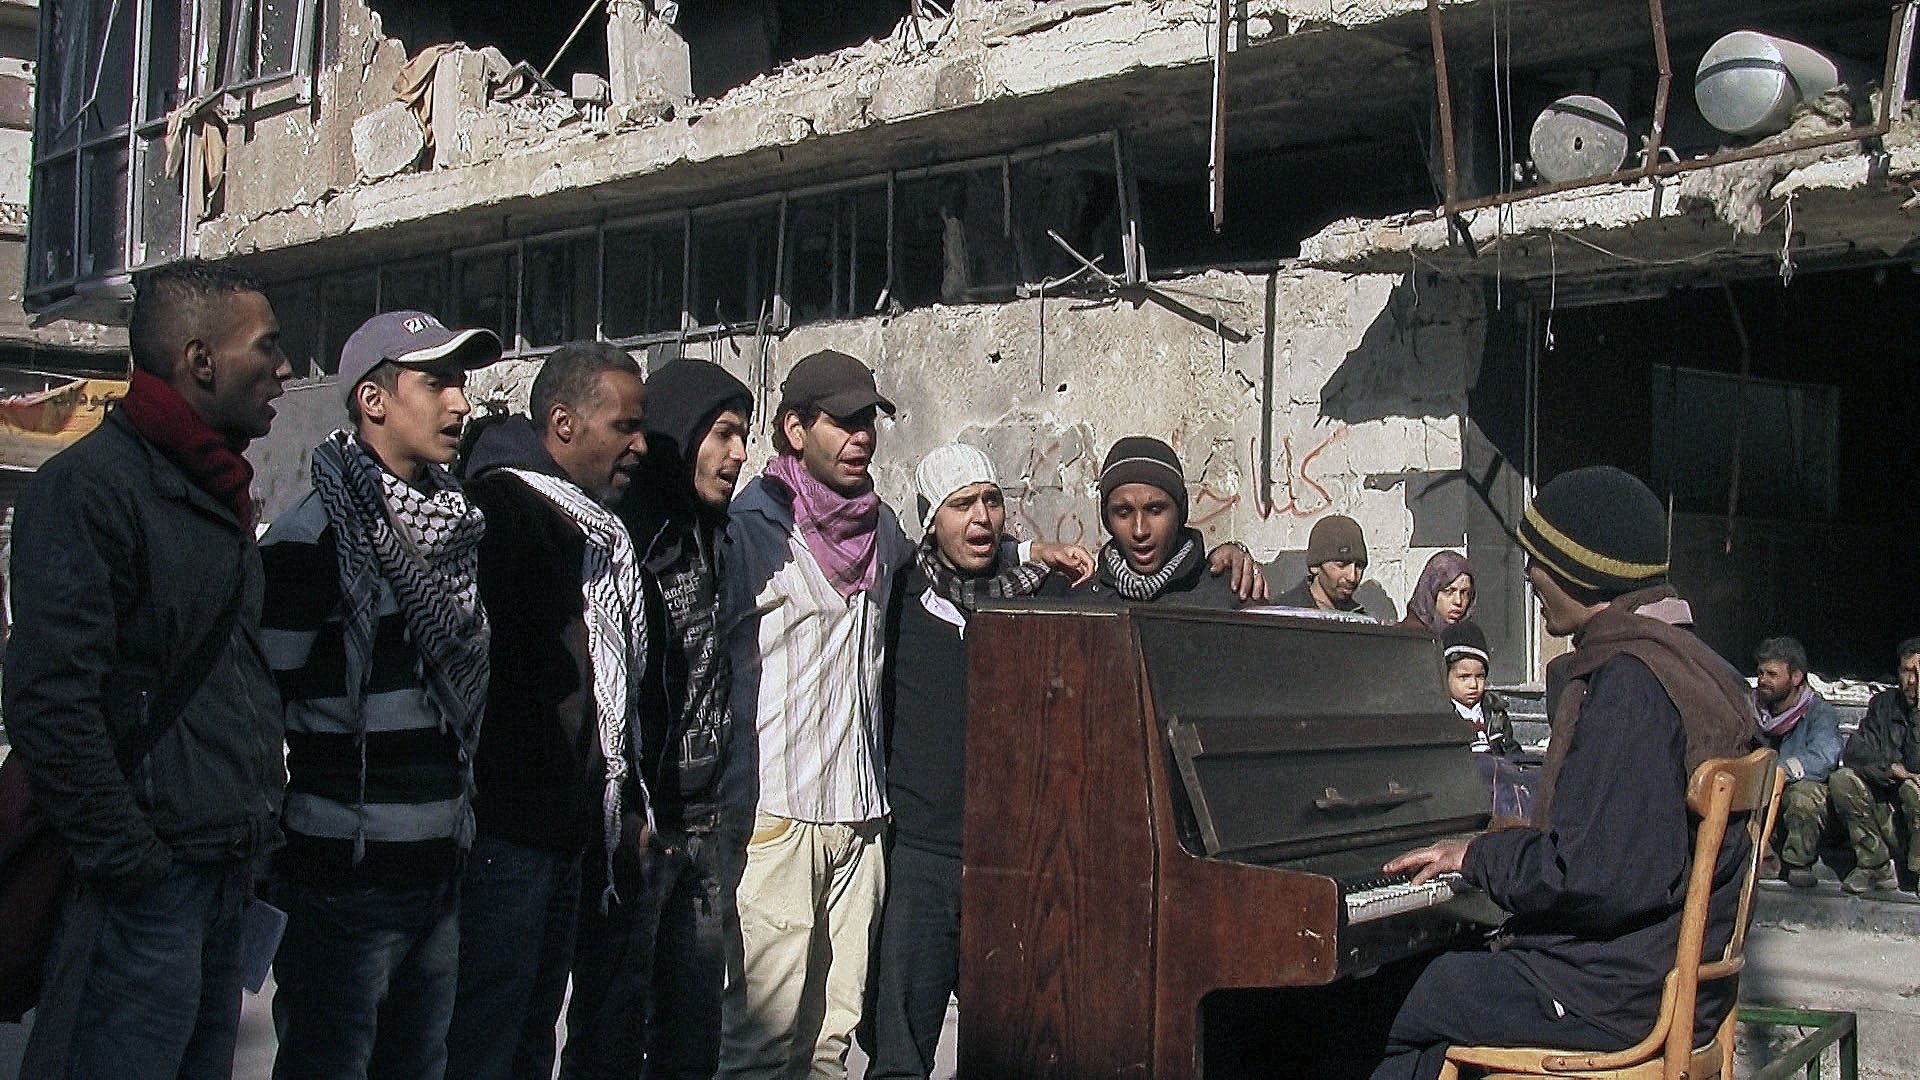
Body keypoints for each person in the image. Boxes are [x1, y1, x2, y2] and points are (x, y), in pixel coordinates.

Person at [1369, 466, 1755, 1080]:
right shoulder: (1695, 664)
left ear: (1584, 571)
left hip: (1608, 995)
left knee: (1382, 1003)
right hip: (1652, 978)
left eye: (1538, 562)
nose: (1529, 578)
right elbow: (1624, 836)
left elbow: (1595, 878)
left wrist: (1475, 857)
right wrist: (1507, 838)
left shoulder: (1630, 683)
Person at [5, 259, 291, 1080]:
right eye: (264, 348)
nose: (282, 370)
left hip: (216, 875)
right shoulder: (92, 490)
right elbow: (48, 702)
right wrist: (131, 861)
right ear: (200, 361)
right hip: (142, 890)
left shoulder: (215, 487)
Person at [259, 311, 500, 1080]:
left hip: (436, 875)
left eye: (461, 383)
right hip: (342, 888)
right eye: (438, 383)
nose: (461, 403)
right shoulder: (314, 537)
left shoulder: (459, 528)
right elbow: (263, 704)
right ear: (374, 400)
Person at [447, 342, 652, 1080]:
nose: (639, 445)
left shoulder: (593, 531)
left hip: (567, 836)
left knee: (532, 1040)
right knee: (487, 1043)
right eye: (624, 426)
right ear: (562, 424)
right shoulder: (501, 516)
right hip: (508, 836)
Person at [867, 444, 1093, 1080]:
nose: (981, 518)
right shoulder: (903, 592)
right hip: (922, 852)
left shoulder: (1040, 594)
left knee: (1011, 1042)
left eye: (991, 501)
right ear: (931, 520)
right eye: (961, 504)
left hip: (1010, 857)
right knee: (901, 1045)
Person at [717, 349, 913, 1080]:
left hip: (860, 821)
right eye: (844, 420)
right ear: (795, 429)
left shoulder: (882, 529)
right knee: (762, 1043)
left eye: (870, 420)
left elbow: (943, 572)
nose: (862, 435)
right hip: (779, 817)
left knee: (830, 1042)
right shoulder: (752, 531)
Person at [563, 359, 754, 1080]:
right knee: (612, 1034)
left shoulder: (713, 533)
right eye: (725, 434)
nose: (739, 455)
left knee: (690, 1041)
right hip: (643, 833)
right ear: (684, 433)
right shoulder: (625, 540)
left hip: (704, 825)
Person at [1072, 435, 1268, 607]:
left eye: (1155, 510)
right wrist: (1040, 552)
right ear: (1106, 518)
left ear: (1180, 511)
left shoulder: (1229, 595)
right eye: (1123, 513)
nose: (1139, 531)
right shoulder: (1081, 601)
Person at [1826, 638, 1920, 895]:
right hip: (1886, 808)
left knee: (1913, 790)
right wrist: (1891, 768)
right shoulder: (1884, 705)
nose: (1911, 681)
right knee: (1842, 779)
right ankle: (1875, 865)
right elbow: (1856, 751)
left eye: (1917, 672)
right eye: (1906, 671)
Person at [1751, 636, 1843, 889]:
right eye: (1760, 673)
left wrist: (1778, 771)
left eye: (1772, 674)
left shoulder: (1818, 712)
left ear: (1796, 677)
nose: (1762, 681)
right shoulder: (1749, 707)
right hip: (1760, 791)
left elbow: (1825, 756)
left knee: (1806, 794)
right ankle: (1761, 857)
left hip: (1795, 795)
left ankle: (1798, 863)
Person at [1441, 621, 1531, 819]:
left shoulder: (1494, 711)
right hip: (1468, 785)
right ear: (1445, 677)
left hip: (1500, 781)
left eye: (1480, 676)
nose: (1473, 685)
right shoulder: (1444, 714)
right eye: (1463, 677)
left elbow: (1512, 751)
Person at [1274, 515, 1374, 618]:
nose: (1352, 577)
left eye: (1359, 566)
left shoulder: (1361, 618)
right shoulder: (1283, 615)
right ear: (1315, 567)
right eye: (1341, 565)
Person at [1401, 550, 1474, 635]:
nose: (1458, 601)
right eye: (1449, 591)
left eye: (1465, 593)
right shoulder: (1409, 638)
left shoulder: (1468, 637)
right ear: (1431, 593)